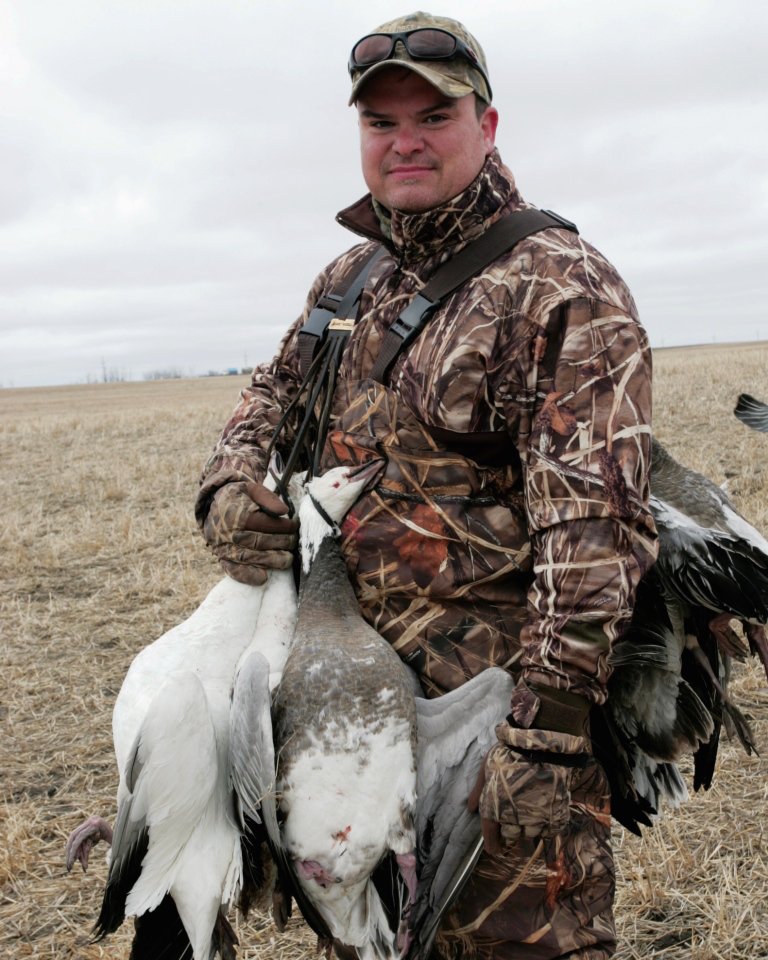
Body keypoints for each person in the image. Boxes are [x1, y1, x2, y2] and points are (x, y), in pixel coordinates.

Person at [196, 11, 658, 960]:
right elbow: (266, 402)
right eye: (379, 121)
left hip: (494, 731)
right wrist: (231, 483)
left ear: (486, 127)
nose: (403, 141)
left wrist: (546, 740)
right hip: (346, 728)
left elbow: (596, 536)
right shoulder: (348, 279)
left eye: (432, 115)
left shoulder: (556, 284)